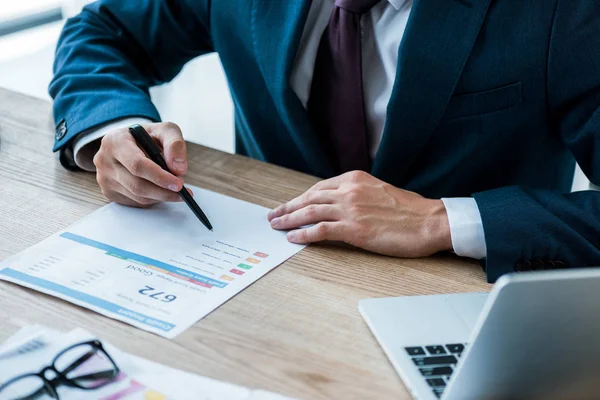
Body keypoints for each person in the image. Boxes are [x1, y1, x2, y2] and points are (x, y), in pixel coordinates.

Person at [49, 0, 600, 283]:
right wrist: (112, 129)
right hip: (263, 281)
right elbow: (103, 30)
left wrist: (441, 220)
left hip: (463, 299)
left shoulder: (564, 11)